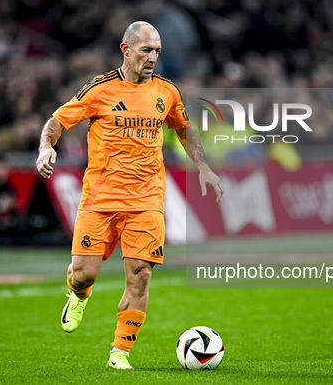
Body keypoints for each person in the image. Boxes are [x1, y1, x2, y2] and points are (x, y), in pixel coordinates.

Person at [36, 21, 223, 370]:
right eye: (146, 50)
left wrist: (204, 166)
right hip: (101, 198)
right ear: (126, 49)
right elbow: (57, 121)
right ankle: (78, 293)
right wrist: (46, 147)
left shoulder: (167, 91)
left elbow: (184, 128)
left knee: (141, 276)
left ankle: (119, 354)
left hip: (148, 199)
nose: (153, 57)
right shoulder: (100, 89)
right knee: (84, 273)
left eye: (157, 51)